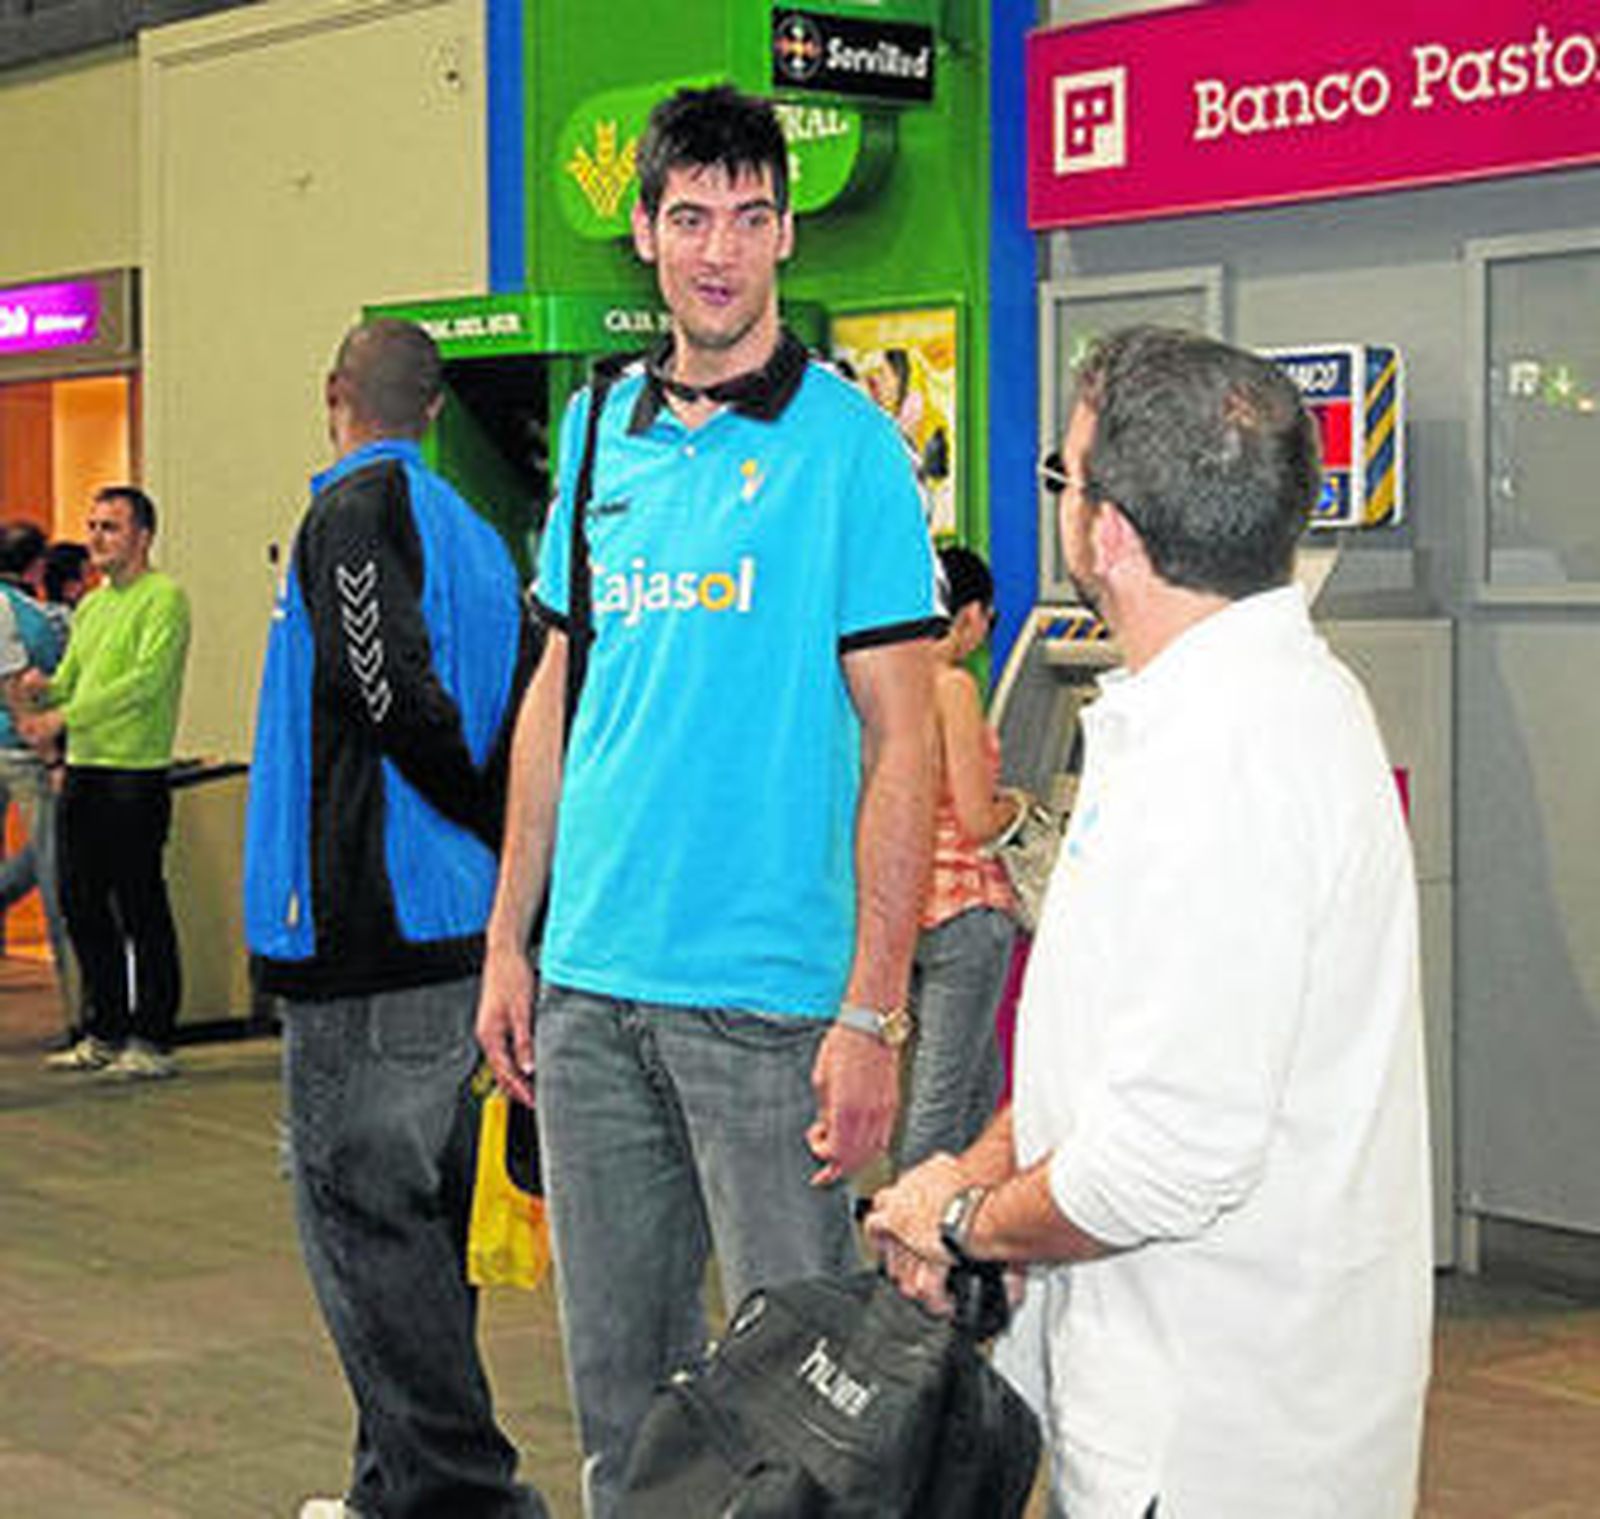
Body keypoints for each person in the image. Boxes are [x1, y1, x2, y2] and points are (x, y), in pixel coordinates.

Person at [867, 327, 1432, 1518]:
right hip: (1174, 1408)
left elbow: (1164, 1159)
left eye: (1061, 477)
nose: (1060, 504)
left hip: (1217, 1443)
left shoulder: (1227, 760)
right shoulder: (1223, 713)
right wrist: (976, 1167)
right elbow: (1110, 1057)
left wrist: (963, 1222)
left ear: (1110, 532)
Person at [476, 83, 942, 1519]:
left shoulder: (852, 447)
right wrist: (509, 938)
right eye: (690, 217)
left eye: (748, 217)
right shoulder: (595, 432)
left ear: (788, 233)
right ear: (644, 232)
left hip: (771, 1009)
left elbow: (905, 739)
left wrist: (872, 1009)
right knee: (620, 1407)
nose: (718, 250)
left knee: (805, 1419)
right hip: (591, 993)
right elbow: (557, 697)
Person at [243, 318, 546, 1519]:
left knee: (363, 1229)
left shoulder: (353, 513)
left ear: (335, 393)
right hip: (453, 939)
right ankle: (387, 1491)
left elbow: (388, 689)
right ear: (434, 407)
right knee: (415, 1239)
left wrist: (471, 809)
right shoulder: (474, 534)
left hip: (373, 941)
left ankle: (466, 1497)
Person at [22, 487, 190, 1080]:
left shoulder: (164, 599)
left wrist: (63, 716)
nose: (96, 537)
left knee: (141, 906)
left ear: (143, 536)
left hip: (133, 775)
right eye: (92, 525)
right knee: (81, 902)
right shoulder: (92, 607)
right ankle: (105, 1030)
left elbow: (143, 683)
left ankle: (153, 1038)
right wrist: (44, 688)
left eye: (110, 527)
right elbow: (76, 678)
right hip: (86, 772)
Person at [894, 544, 1021, 1170]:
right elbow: (975, 817)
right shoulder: (954, 687)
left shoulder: (887, 683)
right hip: (966, 911)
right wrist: (1018, 808)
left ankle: (965, 1219)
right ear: (969, 614)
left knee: (977, 1083)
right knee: (939, 1103)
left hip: (909, 910)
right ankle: (905, 1220)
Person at [0, 523, 72, 1013]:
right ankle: (79, 998)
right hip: (22, 749)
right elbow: (29, 685)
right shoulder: (36, 619)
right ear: (37, 566)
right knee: (51, 864)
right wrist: (51, 754)